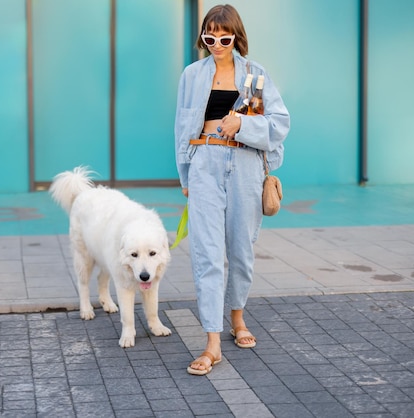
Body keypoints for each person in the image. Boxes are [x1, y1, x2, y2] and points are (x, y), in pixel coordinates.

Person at [174, 4, 290, 375]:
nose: (217, 43)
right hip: (205, 162)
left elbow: (279, 123)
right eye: (210, 37)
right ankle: (211, 341)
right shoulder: (192, 75)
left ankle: (238, 318)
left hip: (244, 166)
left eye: (224, 37)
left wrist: (240, 125)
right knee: (207, 254)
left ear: (235, 36)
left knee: (241, 250)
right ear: (203, 37)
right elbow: (180, 127)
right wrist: (186, 177)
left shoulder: (256, 74)